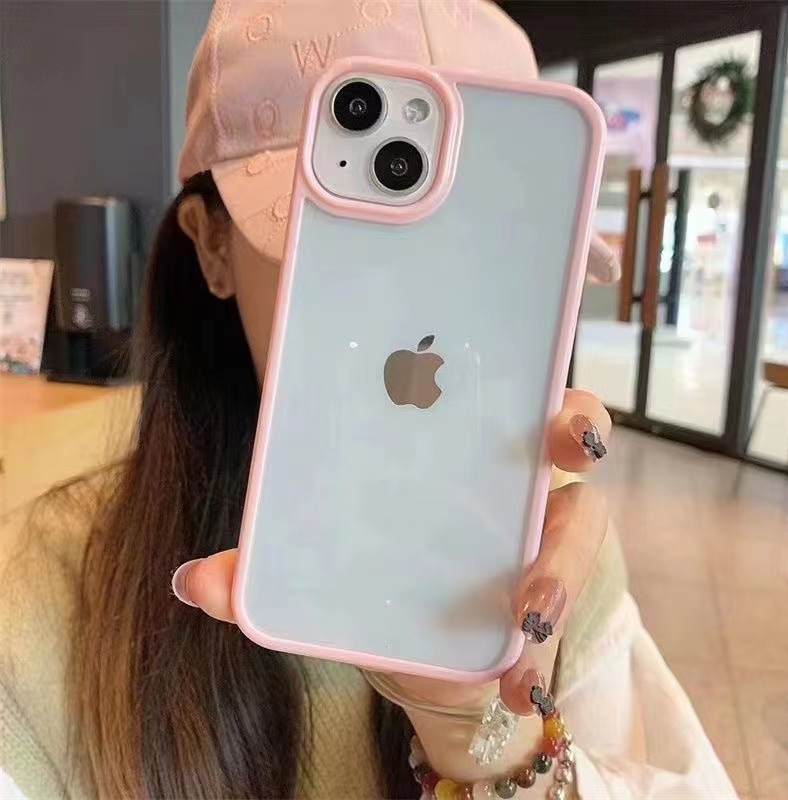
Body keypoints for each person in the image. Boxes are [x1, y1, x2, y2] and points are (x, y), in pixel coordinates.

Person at [0, 2, 736, 798]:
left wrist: (488, 742)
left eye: (487, 253)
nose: (432, 321)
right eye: (356, 246)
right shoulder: (43, 610)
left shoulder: (552, 562)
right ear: (212, 246)